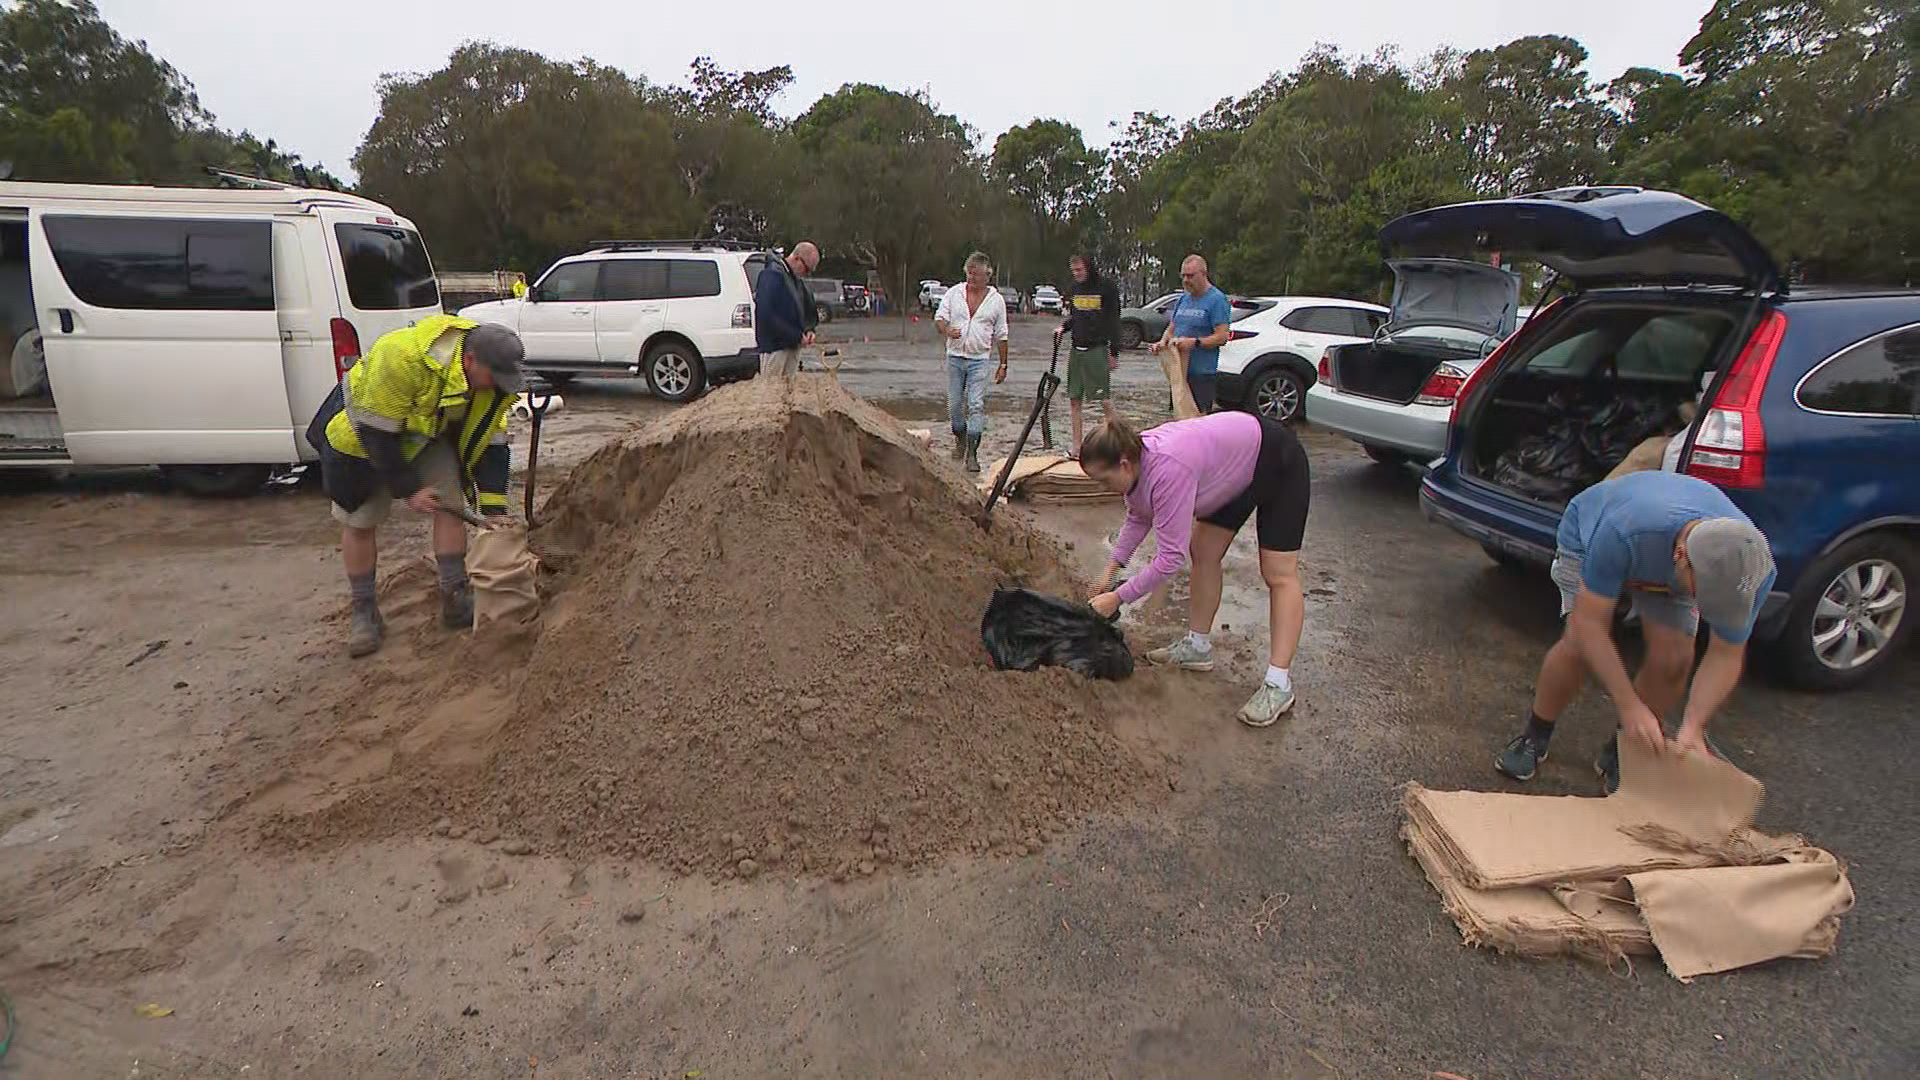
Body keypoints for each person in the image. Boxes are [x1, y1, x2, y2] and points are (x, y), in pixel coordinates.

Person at [1494, 470, 1777, 792]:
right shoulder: (1625, 529)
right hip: (1595, 535)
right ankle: (1535, 735)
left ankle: (1623, 750)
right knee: (1577, 646)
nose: (1708, 604)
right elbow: (1590, 625)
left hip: (1670, 562)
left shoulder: (1751, 569)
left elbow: (1726, 653)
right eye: (1706, 592)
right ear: (1682, 557)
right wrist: (1629, 705)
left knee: (1674, 659)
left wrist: (1693, 727)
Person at [314, 315, 528, 658]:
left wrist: (494, 509)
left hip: (422, 438)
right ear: (470, 360)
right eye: (494, 377)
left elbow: (492, 439)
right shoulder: (400, 356)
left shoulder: (487, 382)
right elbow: (377, 434)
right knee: (360, 521)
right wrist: (408, 489)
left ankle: (454, 596)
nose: (497, 386)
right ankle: (364, 611)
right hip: (362, 441)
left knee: (451, 504)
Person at [1081, 410, 1311, 727]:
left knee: (1278, 572)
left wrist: (1118, 597)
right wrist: (1109, 570)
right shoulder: (1136, 463)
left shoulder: (1167, 469)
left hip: (1275, 459)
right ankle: (1198, 647)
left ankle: (1278, 683)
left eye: (1104, 480)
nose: (1103, 487)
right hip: (1237, 471)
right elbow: (1138, 516)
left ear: (1123, 464)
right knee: (1203, 550)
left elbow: (1169, 559)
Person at [934, 252, 1011, 474]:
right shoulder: (953, 293)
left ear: (987, 275)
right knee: (955, 405)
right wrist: (947, 330)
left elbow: (1001, 334)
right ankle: (960, 438)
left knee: (976, 404)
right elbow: (939, 318)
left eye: (976, 274)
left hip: (979, 359)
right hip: (955, 357)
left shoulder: (996, 301)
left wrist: (1003, 364)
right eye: (968, 273)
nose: (971, 278)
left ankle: (973, 453)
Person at [1148, 254, 1232, 414]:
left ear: (1203, 274)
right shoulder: (1183, 299)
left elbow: (1222, 337)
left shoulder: (1217, 300)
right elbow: (1172, 328)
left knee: (1197, 421)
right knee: (1179, 420)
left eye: (1191, 276)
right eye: (1183, 276)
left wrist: (1195, 343)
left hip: (1201, 374)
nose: (1186, 280)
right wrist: (1162, 343)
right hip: (1179, 371)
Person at [1055, 253, 1121, 457]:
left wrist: (1113, 352)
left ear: (1089, 268)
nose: (1076, 274)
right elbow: (1075, 318)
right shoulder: (1075, 289)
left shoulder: (1106, 287)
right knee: (1074, 399)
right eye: (1073, 271)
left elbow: (1114, 320)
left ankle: (1119, 442)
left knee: (1103, 399)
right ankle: (1077, 447)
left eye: (1080, 270)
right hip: (1077, 349)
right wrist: (1062, 328)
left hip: (1098, 349)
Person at [755, 241, 820, 377]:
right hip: (775, 347)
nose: (806, 274)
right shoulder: (772, 275)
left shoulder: (795, 280)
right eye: (806, 269)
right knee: (772, 390)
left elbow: (806, 307)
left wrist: (809, 329)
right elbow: (766, 315)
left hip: (793, 346)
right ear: (797, 258)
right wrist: (795, 335)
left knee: (789, 390)